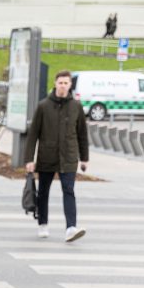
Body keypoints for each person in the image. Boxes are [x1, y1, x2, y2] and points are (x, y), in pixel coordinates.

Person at [24, 69, 89, 243]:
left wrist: (84, 158)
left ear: (70, 85)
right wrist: (29, 159)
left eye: (66, 83)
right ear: (55, 84)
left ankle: (71, 228)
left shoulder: (76, 106)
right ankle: (42, 223)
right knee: (43, 192)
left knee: (69, 191)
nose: (63, 86)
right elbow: (33, 135)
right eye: (60, 82)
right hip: (47, 157)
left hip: (68, 157)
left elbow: (82, 134)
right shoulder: (43, 106)